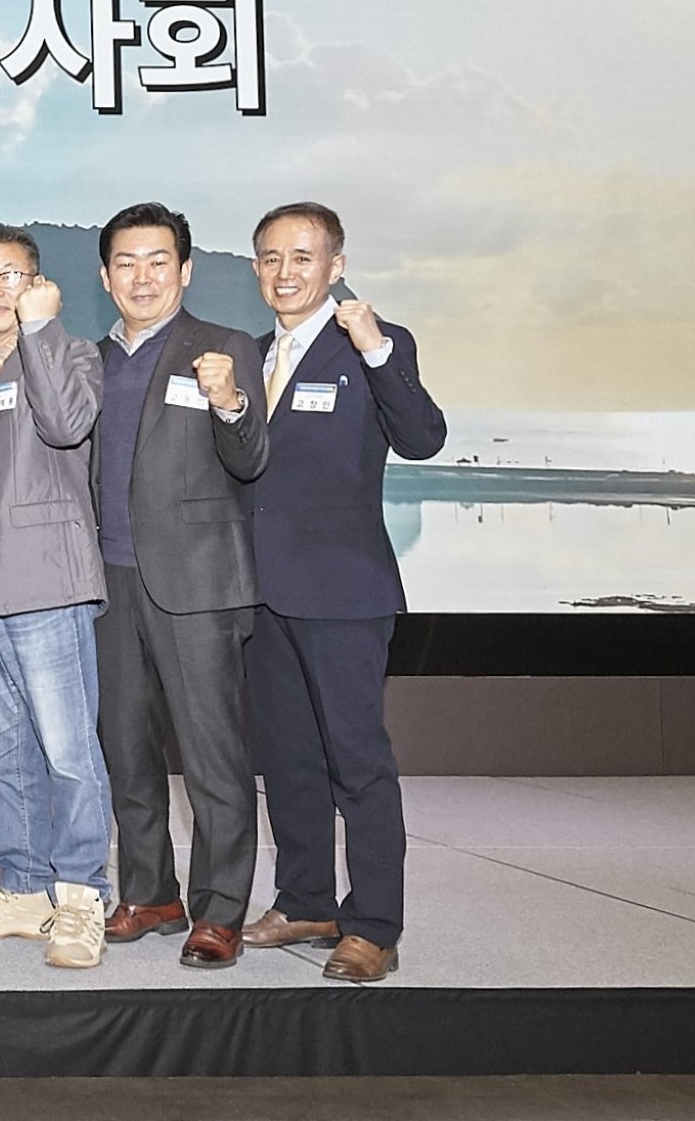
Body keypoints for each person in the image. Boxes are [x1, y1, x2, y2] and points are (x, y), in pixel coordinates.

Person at [241, 202, 444, 983]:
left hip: (344, 591)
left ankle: (374, 926)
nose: (284, 272)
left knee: (358, 762)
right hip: (262, 593)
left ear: (336, 265)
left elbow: (423, 438)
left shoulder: (373, 344)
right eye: (270, 258)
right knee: (287, 760)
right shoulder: (251, 354)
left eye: (302, 256)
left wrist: (379, 350)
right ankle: (305, 901)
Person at [89, 201, 270, 969]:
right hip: (107, 582)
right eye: (126, 263)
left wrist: (230, 402)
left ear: (185, 270)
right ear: (105, 277)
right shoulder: (91, 359)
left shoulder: (223, 348)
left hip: (196, 584)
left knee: (212, 757)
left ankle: (220, 911)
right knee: (126, 752)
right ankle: (150, 892)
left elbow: (252, 457)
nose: (143, 277)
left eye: (158, 261)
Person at [0, 226, 114, 969]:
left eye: (10, 276)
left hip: (45, 585)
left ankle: (82, 897)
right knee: (2, 754)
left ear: (37, 285)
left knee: (69, 753)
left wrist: (40, 328)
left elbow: (66, 424)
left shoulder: (70, 353)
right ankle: (24, 887)